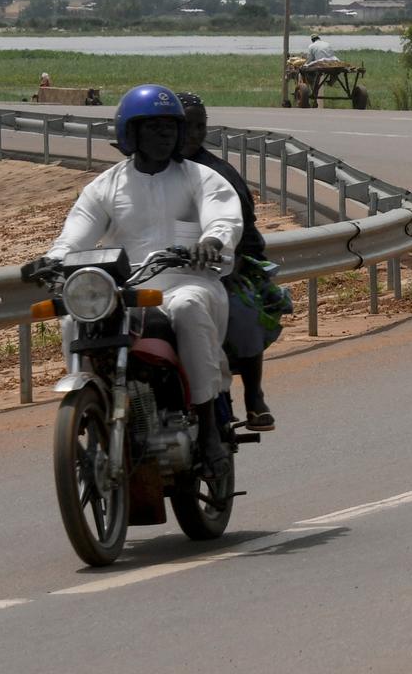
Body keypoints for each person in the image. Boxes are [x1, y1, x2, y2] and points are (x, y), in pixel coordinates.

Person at [42, 85, 243, 475]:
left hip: (189, 282)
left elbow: (223, 217)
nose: (164, 134)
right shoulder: (105, 187)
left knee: (186, 307)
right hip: (126, 292)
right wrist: (52, 261)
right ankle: (90, 405)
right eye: (152, 126)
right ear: (130, 134)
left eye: (170, 126)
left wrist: (211, 240)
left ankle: (208, 433)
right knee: (73, 317)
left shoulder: (200, 178)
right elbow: (74, 235)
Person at [178, 92, 280, 432]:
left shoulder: (220, 174)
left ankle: (254, 395)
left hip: (228, 261)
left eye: (199, 127)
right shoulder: (148, 172)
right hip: (166, 268)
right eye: (184, 127)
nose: (192, 135)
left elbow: (239, 229)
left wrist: (225, 259)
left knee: (241, 311)